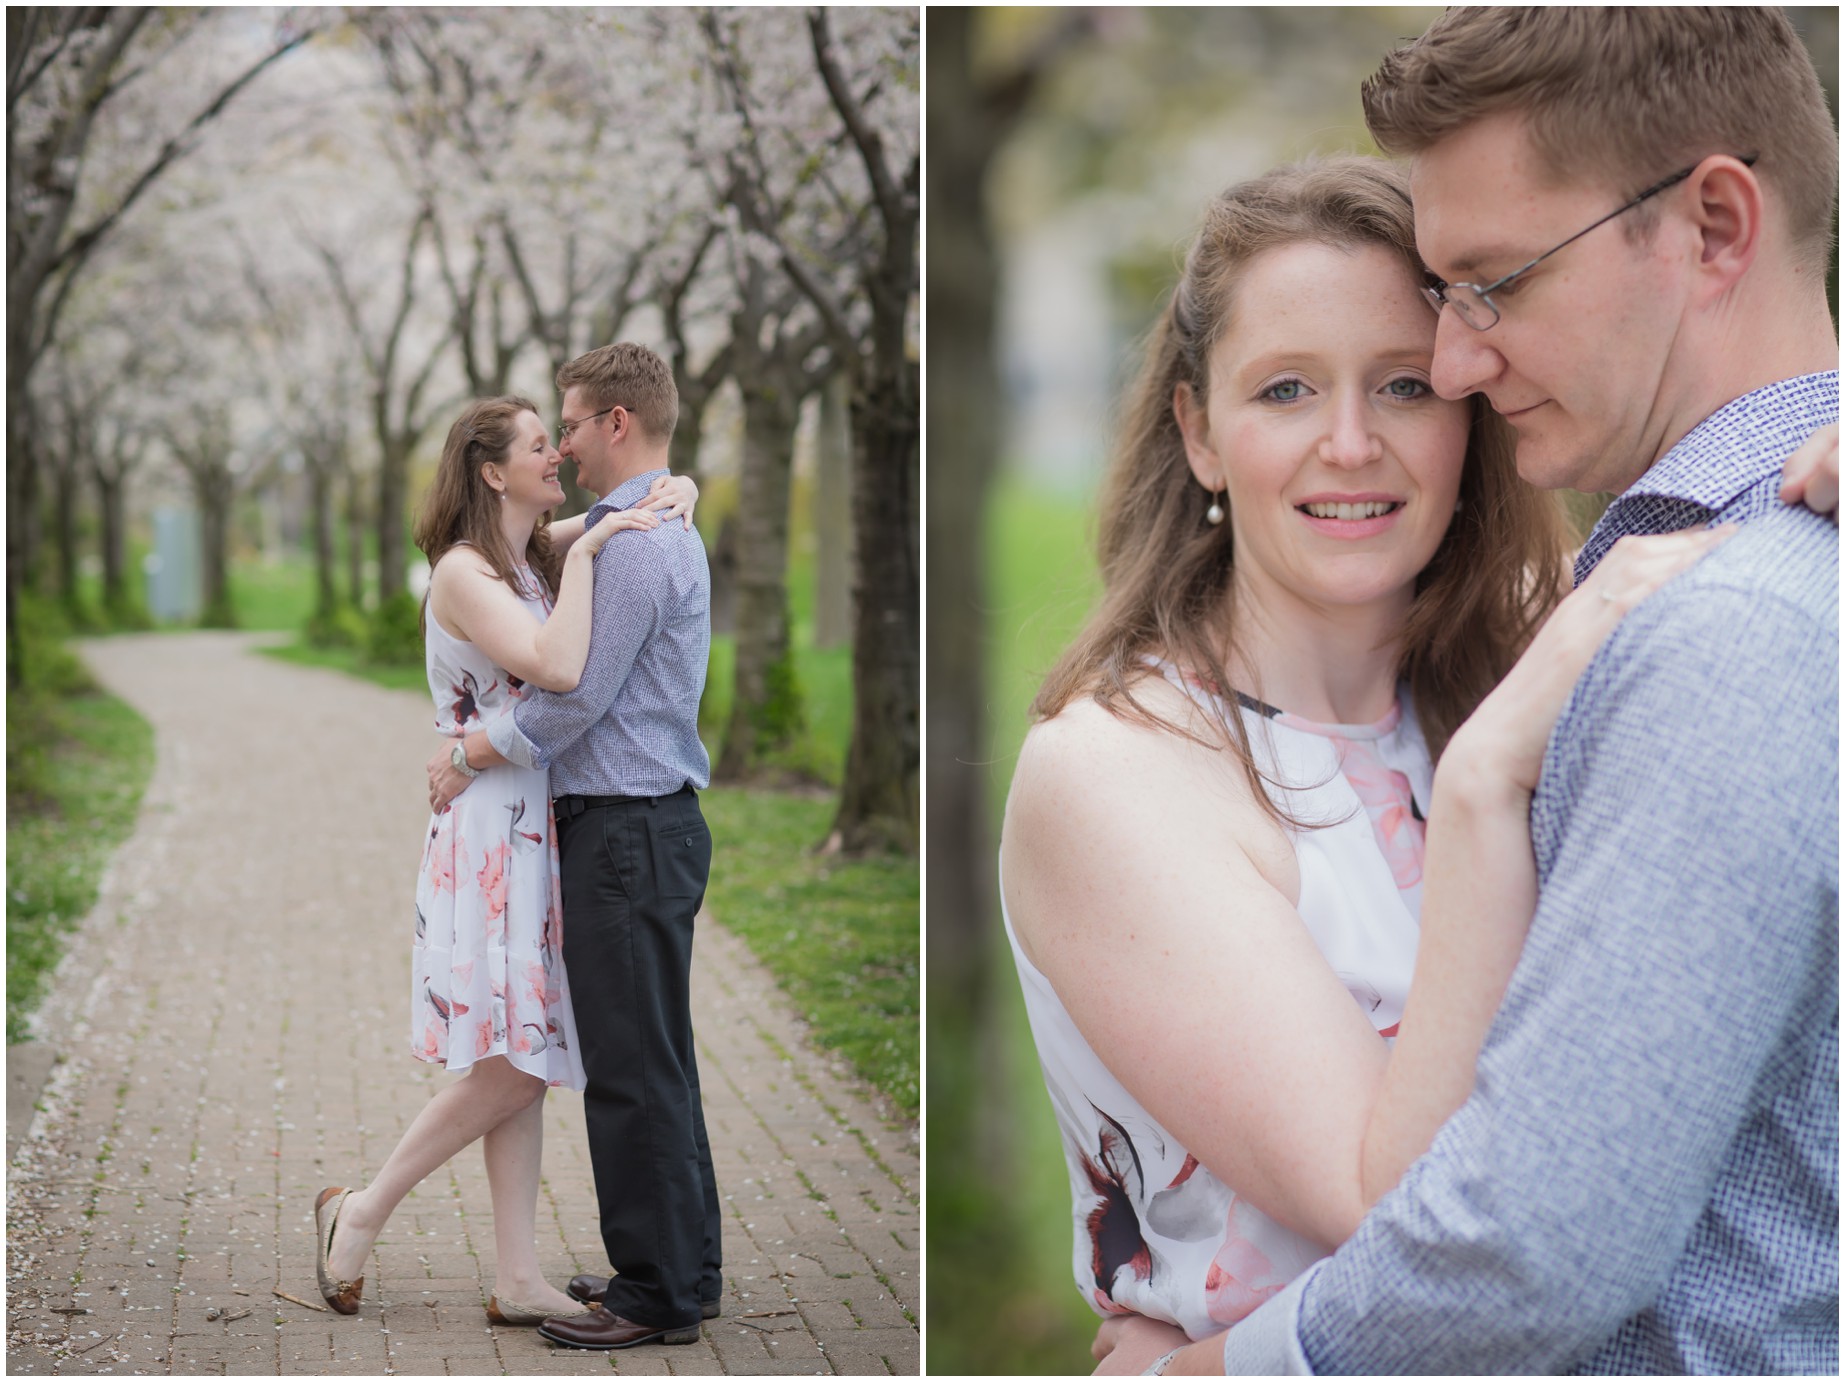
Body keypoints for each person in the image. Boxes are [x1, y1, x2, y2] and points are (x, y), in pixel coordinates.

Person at [1089, 8, 1838, 1375]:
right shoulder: (1625, 610)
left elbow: (1529, 1245)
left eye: (1495, 281)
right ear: (1195, 424)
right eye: (1449, 293)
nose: (1457, 361)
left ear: (1717, 225)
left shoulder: (1714, 622)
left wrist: (1217, 1367)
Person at [313, 395, 697, 1323]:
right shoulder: (463, 574)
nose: (555, 454)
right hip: (489, 824)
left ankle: (517, 1277)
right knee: (518, 1059)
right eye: (537, 444)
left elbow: (624, 506)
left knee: (520, 1043)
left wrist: (670, 487)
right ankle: (361, 1212)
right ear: (492, 472)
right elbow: (558, 668)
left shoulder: (524, 556)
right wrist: (601, 549)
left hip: (531, 818)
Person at [426, 343, 722, 1351]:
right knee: (661, 1057)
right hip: (645, 824)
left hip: (628, 830)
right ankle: (690, 1264)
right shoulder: (638, 520)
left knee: (634, 1069)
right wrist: (676, 483)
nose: (568, 448)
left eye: (575, 426)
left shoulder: (637, 540)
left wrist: (475, 747)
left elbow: (579, 691)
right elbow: (555, 537)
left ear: (618, 425)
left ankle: (654, 1291)